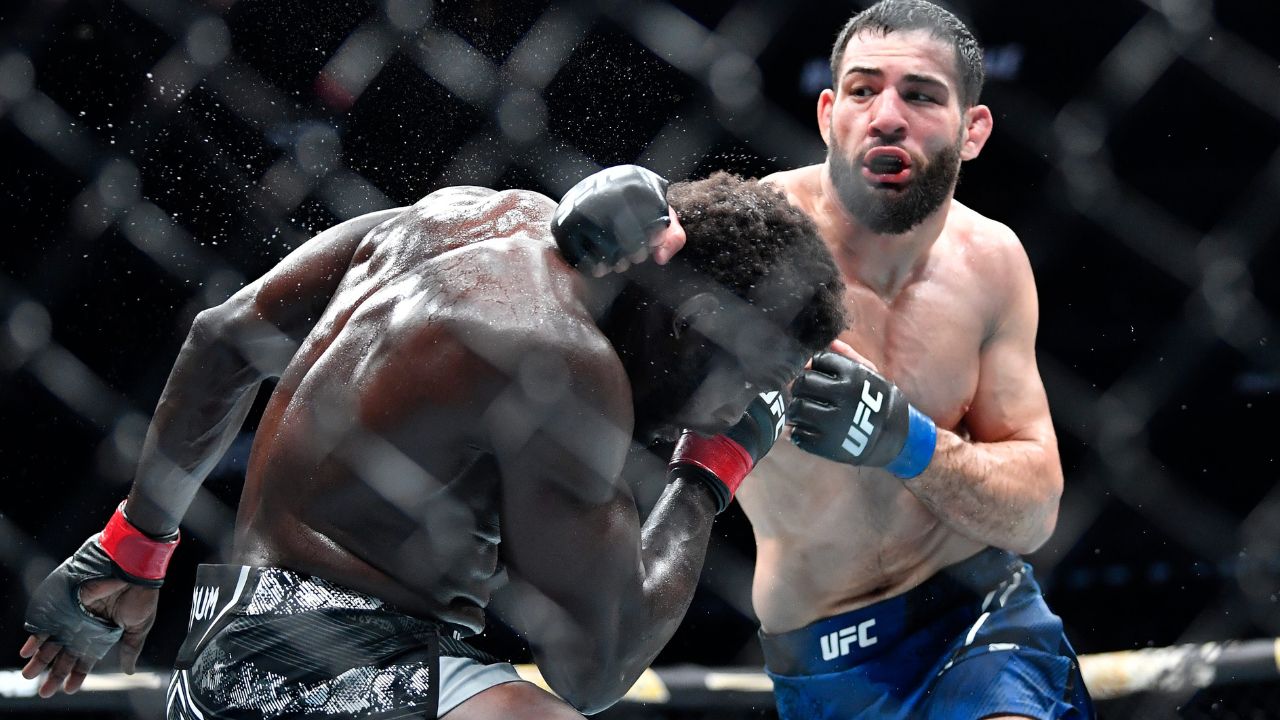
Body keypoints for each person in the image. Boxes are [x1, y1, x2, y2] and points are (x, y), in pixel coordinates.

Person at [19, 166, 846, 718]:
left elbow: (226, 338)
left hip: (230, 644)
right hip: (325, 675)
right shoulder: (563, 364)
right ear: (700, 322)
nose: (735, 409)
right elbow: (595, 670)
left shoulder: (465, 214)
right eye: (754, 379)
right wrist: (711, 472)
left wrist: (135, 544)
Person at [560, 2, 1096, 718]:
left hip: (977, 613)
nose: (886, 117)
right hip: (822, 653)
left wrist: (908, 442)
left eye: (921, 95)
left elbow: (1035, 515)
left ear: (973, 130)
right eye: (863, 90)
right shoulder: (752, 240)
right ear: (827, 113)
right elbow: (627, 273)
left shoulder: (992, 262)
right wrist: (586, 222)